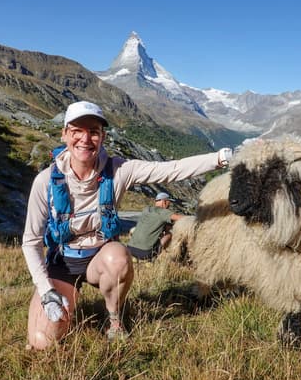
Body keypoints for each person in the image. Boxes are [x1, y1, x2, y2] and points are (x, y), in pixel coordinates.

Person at [22, 100, 232, 349]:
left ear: (102, 136)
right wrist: (46, 290)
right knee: (41, 343)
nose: (85, 139)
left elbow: (170, 169)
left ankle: (115, 320)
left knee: (119, 257)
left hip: (99, 257)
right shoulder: (45, 181)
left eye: (94, 131)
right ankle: (64, 299)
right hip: (63, 263)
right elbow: (31, 241)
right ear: (65, 134)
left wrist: (219, 158)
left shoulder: (118, 170)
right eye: (77, 131)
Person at [127, 192, 185, 261]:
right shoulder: (163, 212)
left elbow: (156, 221)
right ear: (164, 201)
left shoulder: (146, 209)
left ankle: (137, 257)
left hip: (129, 249)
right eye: (169, 202)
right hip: (145, 253)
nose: (169, 205)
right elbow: (179, 218)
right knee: (169, 234)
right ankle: (153, 257)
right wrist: (196, 217)